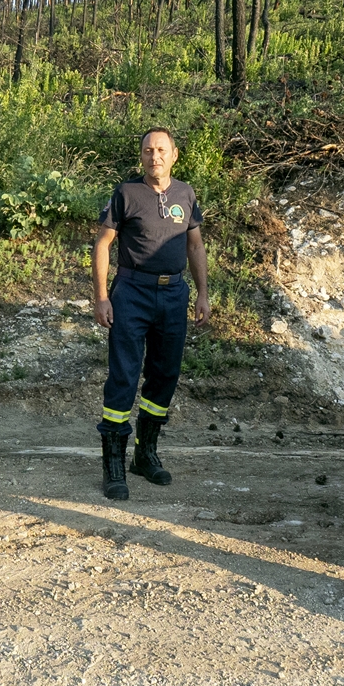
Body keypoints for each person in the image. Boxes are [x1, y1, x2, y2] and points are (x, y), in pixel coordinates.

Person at [92, 127, 211, 501]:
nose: (154, 156)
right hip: (132, 291)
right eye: (147, 150)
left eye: (161, 150)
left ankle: (145, 455)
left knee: (164, 375)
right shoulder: (126, 194)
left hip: (174, 293)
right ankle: (114, 465)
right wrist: (101, 297)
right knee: (124, 375)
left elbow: (195, 246)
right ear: (141, 156)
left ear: (174, 155)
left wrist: (202, 294)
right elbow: (103, 244)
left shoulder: (186, 194)